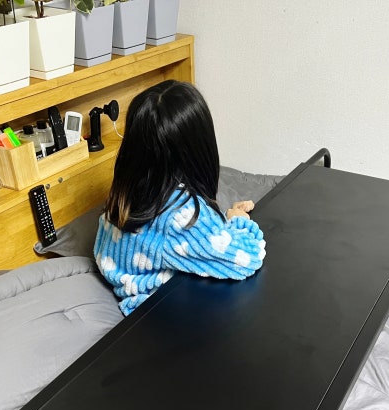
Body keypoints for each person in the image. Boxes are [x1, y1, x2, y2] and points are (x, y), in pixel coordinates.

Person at [94, 80, 266, 316]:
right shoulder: (181, 215)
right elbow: (248, 258)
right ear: (200, 146)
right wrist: (238, 220)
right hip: (163, 315)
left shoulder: (124, 192)